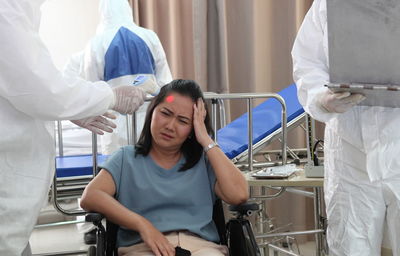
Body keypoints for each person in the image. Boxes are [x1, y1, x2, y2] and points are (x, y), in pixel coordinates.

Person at [0, 1, 147, 255]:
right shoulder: (9, 10)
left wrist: (75, 106)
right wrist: (108, 97)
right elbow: (42, 88)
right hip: (124, 121)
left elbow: (40, 84)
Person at [80, 79, 249, 256]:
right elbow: (90, 197)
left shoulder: (204, 162)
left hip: (203, 248)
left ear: (193, 129)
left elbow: (239, 195)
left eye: (183, 121)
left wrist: (206, 139)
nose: (170, 126)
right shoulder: (126, 159)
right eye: (165, 113)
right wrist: (142, 224)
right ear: (152, 111)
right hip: (143, 248)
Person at [292, 0, 400, 255]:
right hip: (349, 149)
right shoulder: (328, 4)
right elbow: (307, 62)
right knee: (350, 246)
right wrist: (321, 98)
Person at [74, 0, 173, 155]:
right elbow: (167, 86)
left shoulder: (96, 43)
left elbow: (89, 88)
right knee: (149, 169)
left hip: (114, 123)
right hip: (149, 120)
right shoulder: (150, 37)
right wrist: (151, 88)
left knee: (117, 171)